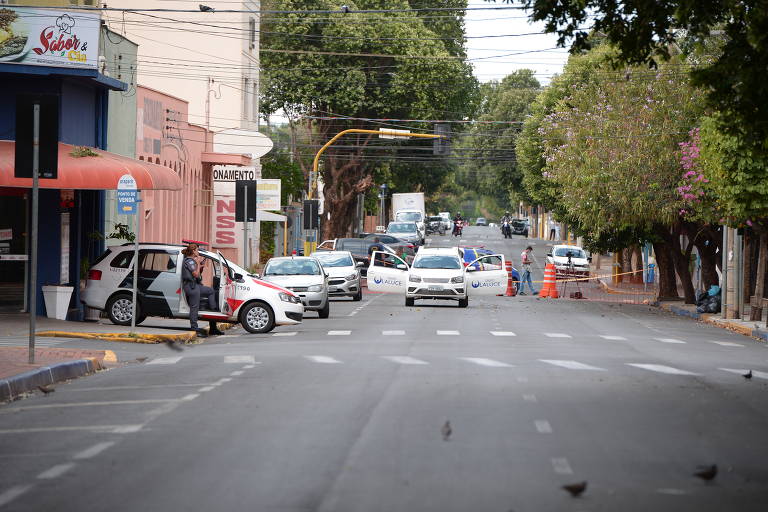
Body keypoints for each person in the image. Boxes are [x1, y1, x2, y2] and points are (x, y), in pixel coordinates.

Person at [181, 243, 224, 337]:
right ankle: (194, 328)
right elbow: (195, 275)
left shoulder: (192, 261)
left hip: (195, 285)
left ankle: (213, 315)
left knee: (211, 291)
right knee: (194, 307)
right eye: (197, 250)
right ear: (193, 251)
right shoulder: (190, 261)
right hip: (191, 286)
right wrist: (197, 263)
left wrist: (200, 267)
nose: (198, 252)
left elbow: (197, 274)